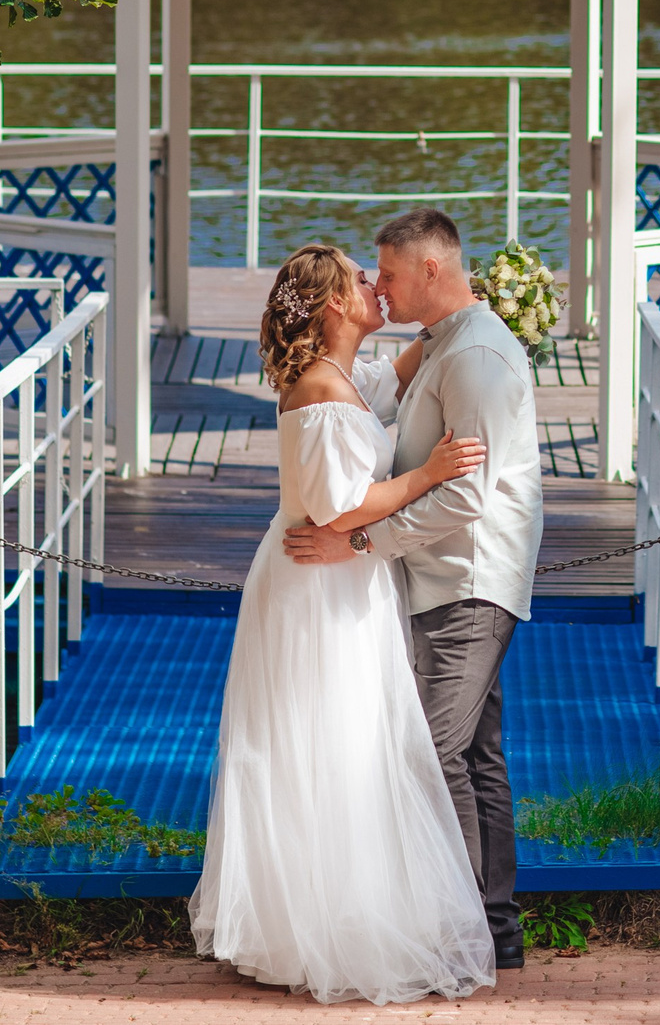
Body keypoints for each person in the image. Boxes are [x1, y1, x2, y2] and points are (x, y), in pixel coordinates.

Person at [189, 243, 498, 1005]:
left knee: (347, 742)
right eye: (364, 279)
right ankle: (320, 929)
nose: (375, 286)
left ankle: (337, 912)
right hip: (317, 584)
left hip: (339, 578)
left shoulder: (340, 380)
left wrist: (468, 307)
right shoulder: (320, 394)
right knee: (328, 743)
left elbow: (395, 374)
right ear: (334, 304)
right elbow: (338, 508)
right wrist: (427, 475)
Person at [284, 207, 546, 972]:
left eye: (390, 274)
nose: (384, 289)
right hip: (439, 576)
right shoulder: (441, 345)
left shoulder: (477, 361)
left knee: (432, 753)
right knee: (476, 755)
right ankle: (493, 929)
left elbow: (470, 495)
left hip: (467, 582)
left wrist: (360, 540)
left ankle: (459, 928)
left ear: (431, 269)